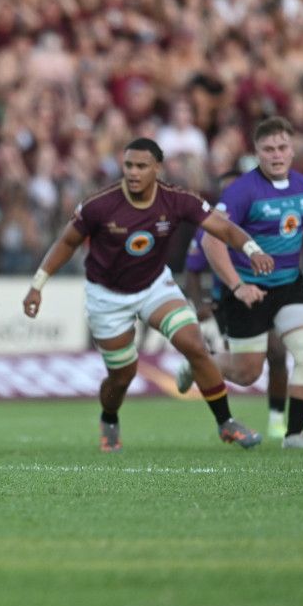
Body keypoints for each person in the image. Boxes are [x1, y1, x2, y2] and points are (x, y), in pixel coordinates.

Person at [22, 137, 275, 453]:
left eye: (141, 166)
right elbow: (66, 242)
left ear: (157, 168)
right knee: (122, 377)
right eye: (128, 165)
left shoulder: (176, 200)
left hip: (154, 287)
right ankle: (109, 419)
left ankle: (226, 423)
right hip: (107, 297)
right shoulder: (100, 205)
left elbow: (222, 228)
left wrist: (252, 249)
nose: (133, 172)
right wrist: (37, 285)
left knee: (194, 345)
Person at [177, 117, 303, 448]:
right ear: (256, 153)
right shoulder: (242, 191)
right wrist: (237, 286)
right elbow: (211, 241)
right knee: (247, 374)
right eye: (268, 149)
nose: (276, 155)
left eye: (282, 147)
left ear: (292, 150)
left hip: (289, 285)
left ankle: (294, 435)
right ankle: (200, 361)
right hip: (248, 289)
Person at [184, 226, 289, 439]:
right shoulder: (210, 227)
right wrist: (198, 304)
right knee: (246, 372)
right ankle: (199, 364)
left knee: (278, 353)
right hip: (230, 301)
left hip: (267, 294)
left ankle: (277, 420)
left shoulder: (263, 218)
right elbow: (192, 268)